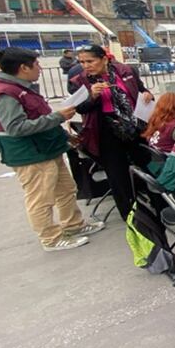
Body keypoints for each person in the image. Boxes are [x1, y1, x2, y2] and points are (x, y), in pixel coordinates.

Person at [0, 48, 104, 251]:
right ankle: (51, 238)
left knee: (65, 189)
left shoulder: (22, 87)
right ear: (23, 68)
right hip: (31, 154)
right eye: (36, 65)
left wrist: (65, 136)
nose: (40, 68)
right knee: (41, 198)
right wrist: (57, 117)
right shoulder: (6, 93)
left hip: (48, 148)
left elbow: (36, 116)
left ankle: (74, 225)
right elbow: (15, 127)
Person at [71, 44, 153, 218]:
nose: (86, 66)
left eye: (90, 61)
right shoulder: (79, 81)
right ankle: (130, 215)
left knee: (146, 165)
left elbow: (141, 89)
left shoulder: (125, 71)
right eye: (82, 62)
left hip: (134, 125)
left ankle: (157, 205)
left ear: (104, 59)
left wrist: (147, 94)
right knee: (117, 174)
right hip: (105, 131)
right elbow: (80, 108)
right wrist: (92, 96)